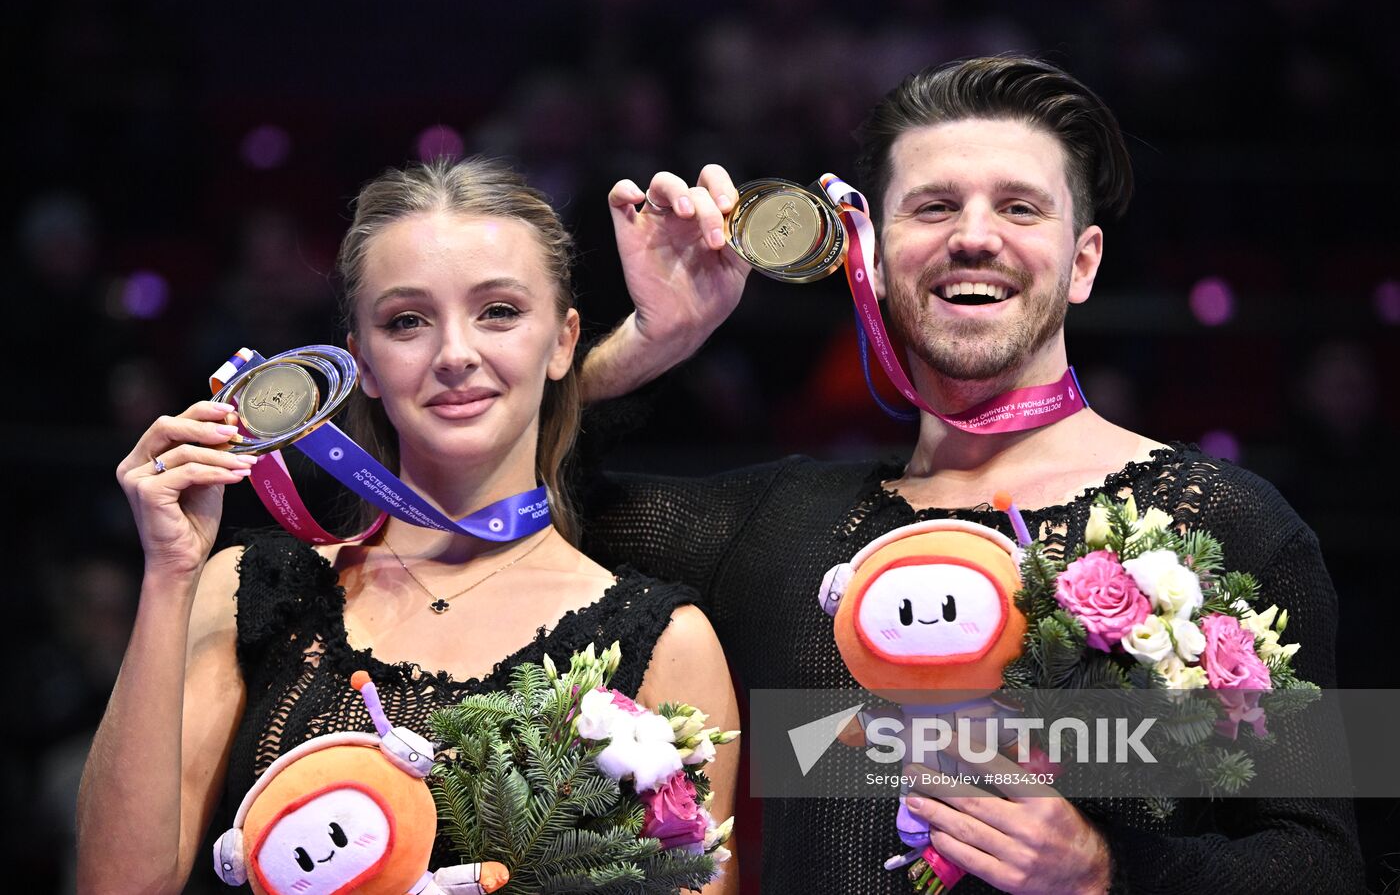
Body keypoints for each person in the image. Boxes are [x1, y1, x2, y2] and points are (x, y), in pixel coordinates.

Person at [578, 56, 1363, 893]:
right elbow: (490, 504)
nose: (975, 235)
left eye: (1020, 207)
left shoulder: (1229, 523)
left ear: (1084, 261)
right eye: (934, 206)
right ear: (873, 258)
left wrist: (1104, 870)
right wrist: (647, 346)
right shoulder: (776, 525)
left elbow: (1320, 861)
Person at [75, 158, 740, 894]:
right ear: (360, 362)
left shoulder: (664, 642)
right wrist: (169, 573)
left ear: (562, 341)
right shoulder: (249, 589)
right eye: (407, 321)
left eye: (499, 311)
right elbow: (116, 884)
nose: (455, 353)